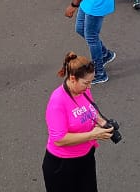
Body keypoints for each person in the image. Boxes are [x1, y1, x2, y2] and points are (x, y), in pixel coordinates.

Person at [42, 53, 115, 192]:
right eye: (86, 83)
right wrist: (93, 135)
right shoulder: (57, 101)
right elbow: (59, 139)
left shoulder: (83, 91)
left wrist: (102, 122)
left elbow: (91, 111)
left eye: (91, 82)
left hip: (85, 158)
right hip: (63, 166)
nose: (89, 87)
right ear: (72, 79)